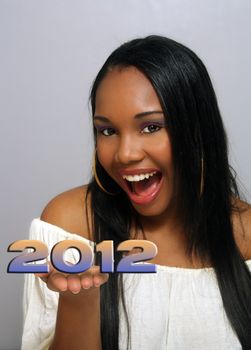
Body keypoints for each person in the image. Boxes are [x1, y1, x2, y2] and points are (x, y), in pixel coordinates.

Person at [21, 35, 251, 350]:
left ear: (198, 130)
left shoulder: (246, 235)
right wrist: (81, 298)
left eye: (151, 127)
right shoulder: (69, 227)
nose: (125, 154)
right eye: (108, 131)